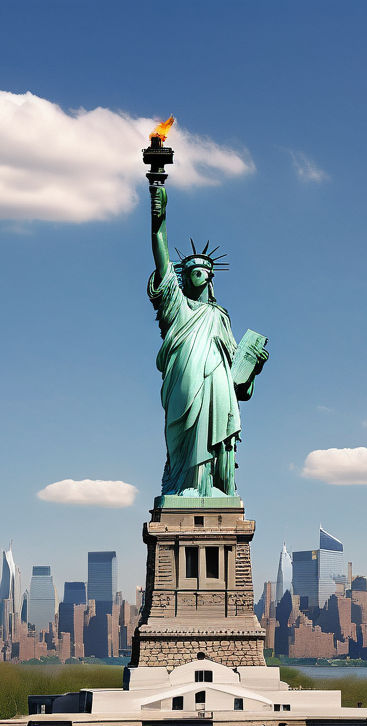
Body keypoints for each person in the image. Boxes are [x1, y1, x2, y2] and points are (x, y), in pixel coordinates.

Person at [148, 184, 268, 496]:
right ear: (183, 276)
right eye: (195, 269)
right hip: (185, 379)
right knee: (186, 434)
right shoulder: (177, 305)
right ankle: (185, 486)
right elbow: (160, 252)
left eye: (206, 270)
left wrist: (253, 367)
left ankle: (211, 487)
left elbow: (238, 376)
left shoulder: (220, 315)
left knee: (217, 438)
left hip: (218, 382)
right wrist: (158, 217)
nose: (202, 274)